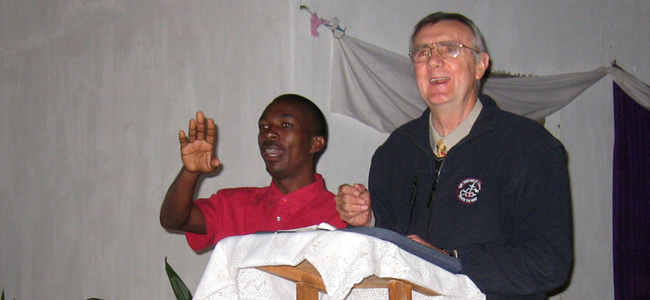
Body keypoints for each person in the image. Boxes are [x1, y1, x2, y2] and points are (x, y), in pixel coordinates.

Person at [335, 12, 573, 300]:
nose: (433, 60)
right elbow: (386, 250)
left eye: (450, 49)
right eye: (422, 52)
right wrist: (368, 220)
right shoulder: (395, 150)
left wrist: (450, 259)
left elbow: (548, 264)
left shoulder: (529, 147)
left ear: (480, 65)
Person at [160, 94, 346, 251]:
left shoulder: (342, 213)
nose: (269, 133)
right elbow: (174, 220)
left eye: (286, 125)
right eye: (263, 126)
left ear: (315, 143)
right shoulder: (234, 205)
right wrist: (190, 172)